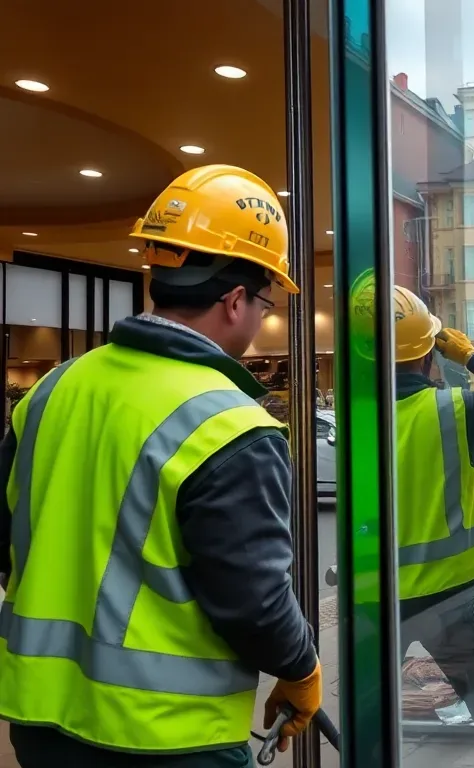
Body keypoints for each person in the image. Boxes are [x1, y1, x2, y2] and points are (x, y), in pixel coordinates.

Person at [0, 165, 321, 765]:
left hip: (39, 722)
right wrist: (300, 667)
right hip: (167, 737)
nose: (261, 318)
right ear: (234, 302)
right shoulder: (231, 424)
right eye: (265, 300)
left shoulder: (54, 389)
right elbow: (252, 599)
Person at [359, 282, 474, 768]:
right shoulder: (457, 409)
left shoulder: (358, 422)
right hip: (455, 599)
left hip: (378, 599)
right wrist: (472, 356)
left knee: (368, 716)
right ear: (429, 354)